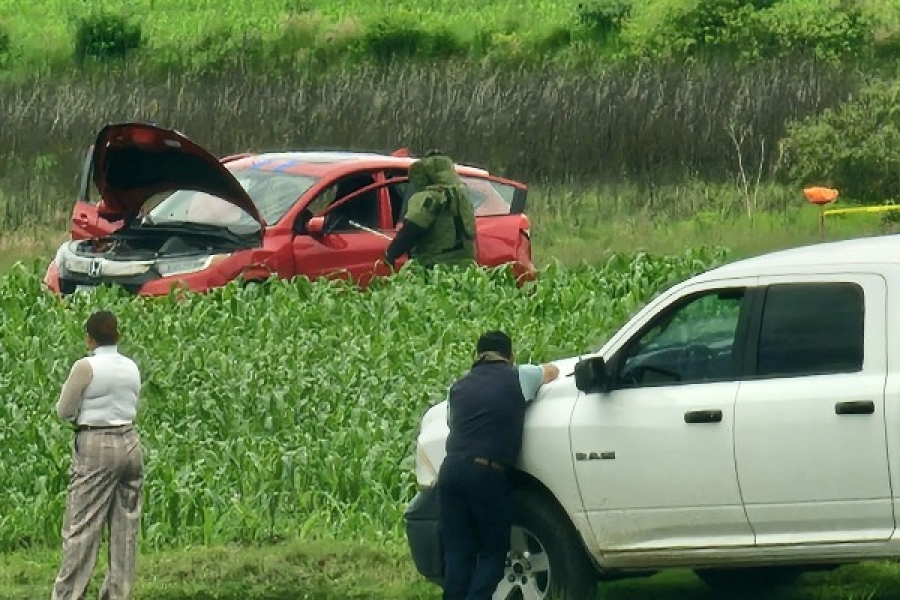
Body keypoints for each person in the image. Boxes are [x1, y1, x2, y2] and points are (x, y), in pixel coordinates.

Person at [438, 331, 560, 600]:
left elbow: (451, 423)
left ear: (476, 356)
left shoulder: (457, 387)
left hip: (450, 471)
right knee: (493, 551)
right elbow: (552, 371)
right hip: (485, 472)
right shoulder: (519, 375)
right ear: (511, 355)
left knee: (458, 552)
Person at [52, 310, 144, 600]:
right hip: (130, 442)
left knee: (82, 527)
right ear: (117, 335)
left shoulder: (85, 367)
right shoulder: (131, 366)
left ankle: (68, 595)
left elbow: (64, 410)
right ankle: (117, 594)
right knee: (124, 529)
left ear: (89, 338)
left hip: (96, 442)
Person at [383, 150, 477, 269]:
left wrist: (391, 253)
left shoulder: (429, 196)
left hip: (436, 265)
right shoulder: (462, 193)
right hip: (465, 264)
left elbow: (413, 228)